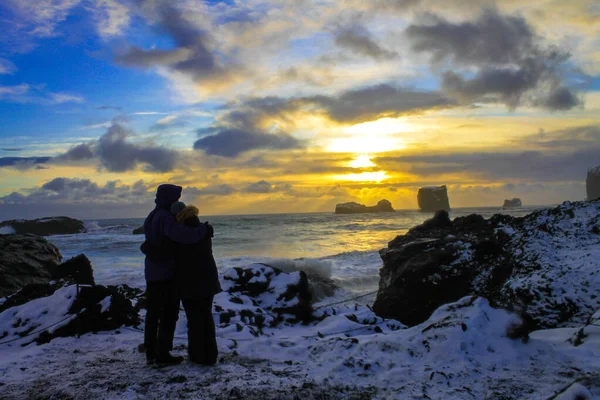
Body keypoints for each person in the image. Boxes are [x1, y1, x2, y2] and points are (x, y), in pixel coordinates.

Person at [142, 184, 210, 365]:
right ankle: (163, 353)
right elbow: (184, 235)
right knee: (168, 314)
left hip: (152, 271)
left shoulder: (153, 214)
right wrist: (204, 230)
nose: (177, 201)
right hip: (165, 272)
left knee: (153, 313)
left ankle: (150, 351)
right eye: (176, 198)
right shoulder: (165, 217)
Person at [172, 204, 222, 365]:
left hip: (189, 280)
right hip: (208, 278)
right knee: (206, 317)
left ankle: (196, 355)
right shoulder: (204, 230)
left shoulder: (181, 234)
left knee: (194, 319)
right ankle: (210, 355)